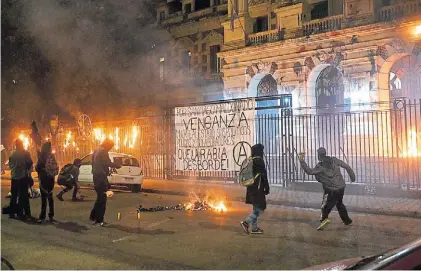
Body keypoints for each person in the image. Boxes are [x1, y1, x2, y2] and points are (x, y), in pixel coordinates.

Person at [298, 147, 355, 230]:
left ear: (319, 155)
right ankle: (347, 221)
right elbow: (346, 166)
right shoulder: (334, 160)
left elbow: (309, 171)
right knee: (339, 203)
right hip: (341, 186)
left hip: (332, 189)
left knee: (326, 205)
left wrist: (301, 160)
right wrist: (352, 177)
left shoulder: (320, 166)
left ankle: (324, 219)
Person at [89, 138, 121, 226]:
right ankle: (99, 220)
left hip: (96, 176)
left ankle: (93, 216)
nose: (110, 149)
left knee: (100, 197)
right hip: (101, 176)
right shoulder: (103, 151)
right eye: (110, 147)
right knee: (102, 198)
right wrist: (116, 165)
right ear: (107, 145)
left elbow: (93, 163)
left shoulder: (96, 150)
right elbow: (107, 162)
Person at [240, 144, 270, 234]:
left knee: (255, 208)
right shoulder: (259, 160)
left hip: (251, 188)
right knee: (260, 208)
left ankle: (255, 228)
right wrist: (267, 187)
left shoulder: (251, 159)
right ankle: (246, 223)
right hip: (258, 188)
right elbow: (264, 176)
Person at [8, 139, 33, 220]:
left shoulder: (12, 154)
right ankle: (21, 213)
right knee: (23, 196)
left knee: (14, 196)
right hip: (23, 177)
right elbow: (29, 163)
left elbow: (10, 165)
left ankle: (12, 213)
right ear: (21, 145)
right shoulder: (24, 154)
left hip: (14, 177)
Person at [35, 142, 59, 223]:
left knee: (43, 199)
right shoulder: (51, 156)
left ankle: (42, 216)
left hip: (43, 179)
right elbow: (56, 167)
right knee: (50, 197)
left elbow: (37, 167)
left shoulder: (41, 157)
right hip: (50, 179)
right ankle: (51, 215)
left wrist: (42, 170)